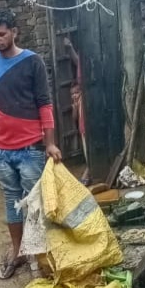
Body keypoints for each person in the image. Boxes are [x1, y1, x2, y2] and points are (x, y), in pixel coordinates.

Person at [0, 9, 62, 280]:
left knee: (34, 202)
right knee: (12, 200)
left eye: (2, 34)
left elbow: (44, 104)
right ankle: (19, 252)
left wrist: (50, 143)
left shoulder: (32, 62)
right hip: (1, 149)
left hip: (31, 147)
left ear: (14, 32)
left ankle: (39, 255)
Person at [64, 37, 91, 185]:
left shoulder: (84, 96)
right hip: (82, 126)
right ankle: (89, 170)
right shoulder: (78, 101)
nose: (73, 95)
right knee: (87, 147)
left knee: (90, 147)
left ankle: (89, 172)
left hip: (87, 122)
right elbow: (75, 118)